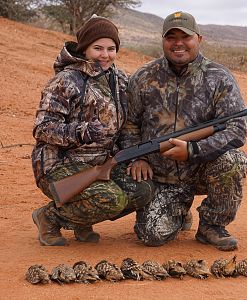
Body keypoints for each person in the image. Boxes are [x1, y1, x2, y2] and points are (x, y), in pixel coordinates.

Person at [121, 11, 247, 251]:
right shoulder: (143, 77)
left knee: (233, 161)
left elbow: (237, 129)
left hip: (202, 169)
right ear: (162, 40)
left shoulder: (219, 78)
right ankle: (179, 211)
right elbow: (129, 124)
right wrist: (137, 156)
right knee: (151, 235)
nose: (178, 43)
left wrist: (194, 150)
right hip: (160, 176)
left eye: (185, 36)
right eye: (171, 37)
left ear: (199, 39)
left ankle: (212, 225)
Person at [31, 15, 154, 246]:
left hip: (98, 163)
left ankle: (81, 219)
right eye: (98, 48)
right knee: (111, 199)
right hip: (59, 164)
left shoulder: (119, 79)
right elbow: (42, 128)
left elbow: (126, 125)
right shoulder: (66, 80)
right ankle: (49, 217)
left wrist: (136, 156)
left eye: (111, 48)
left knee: (143, 190)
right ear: (85, 48)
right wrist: (81, 132)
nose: (105, 55)